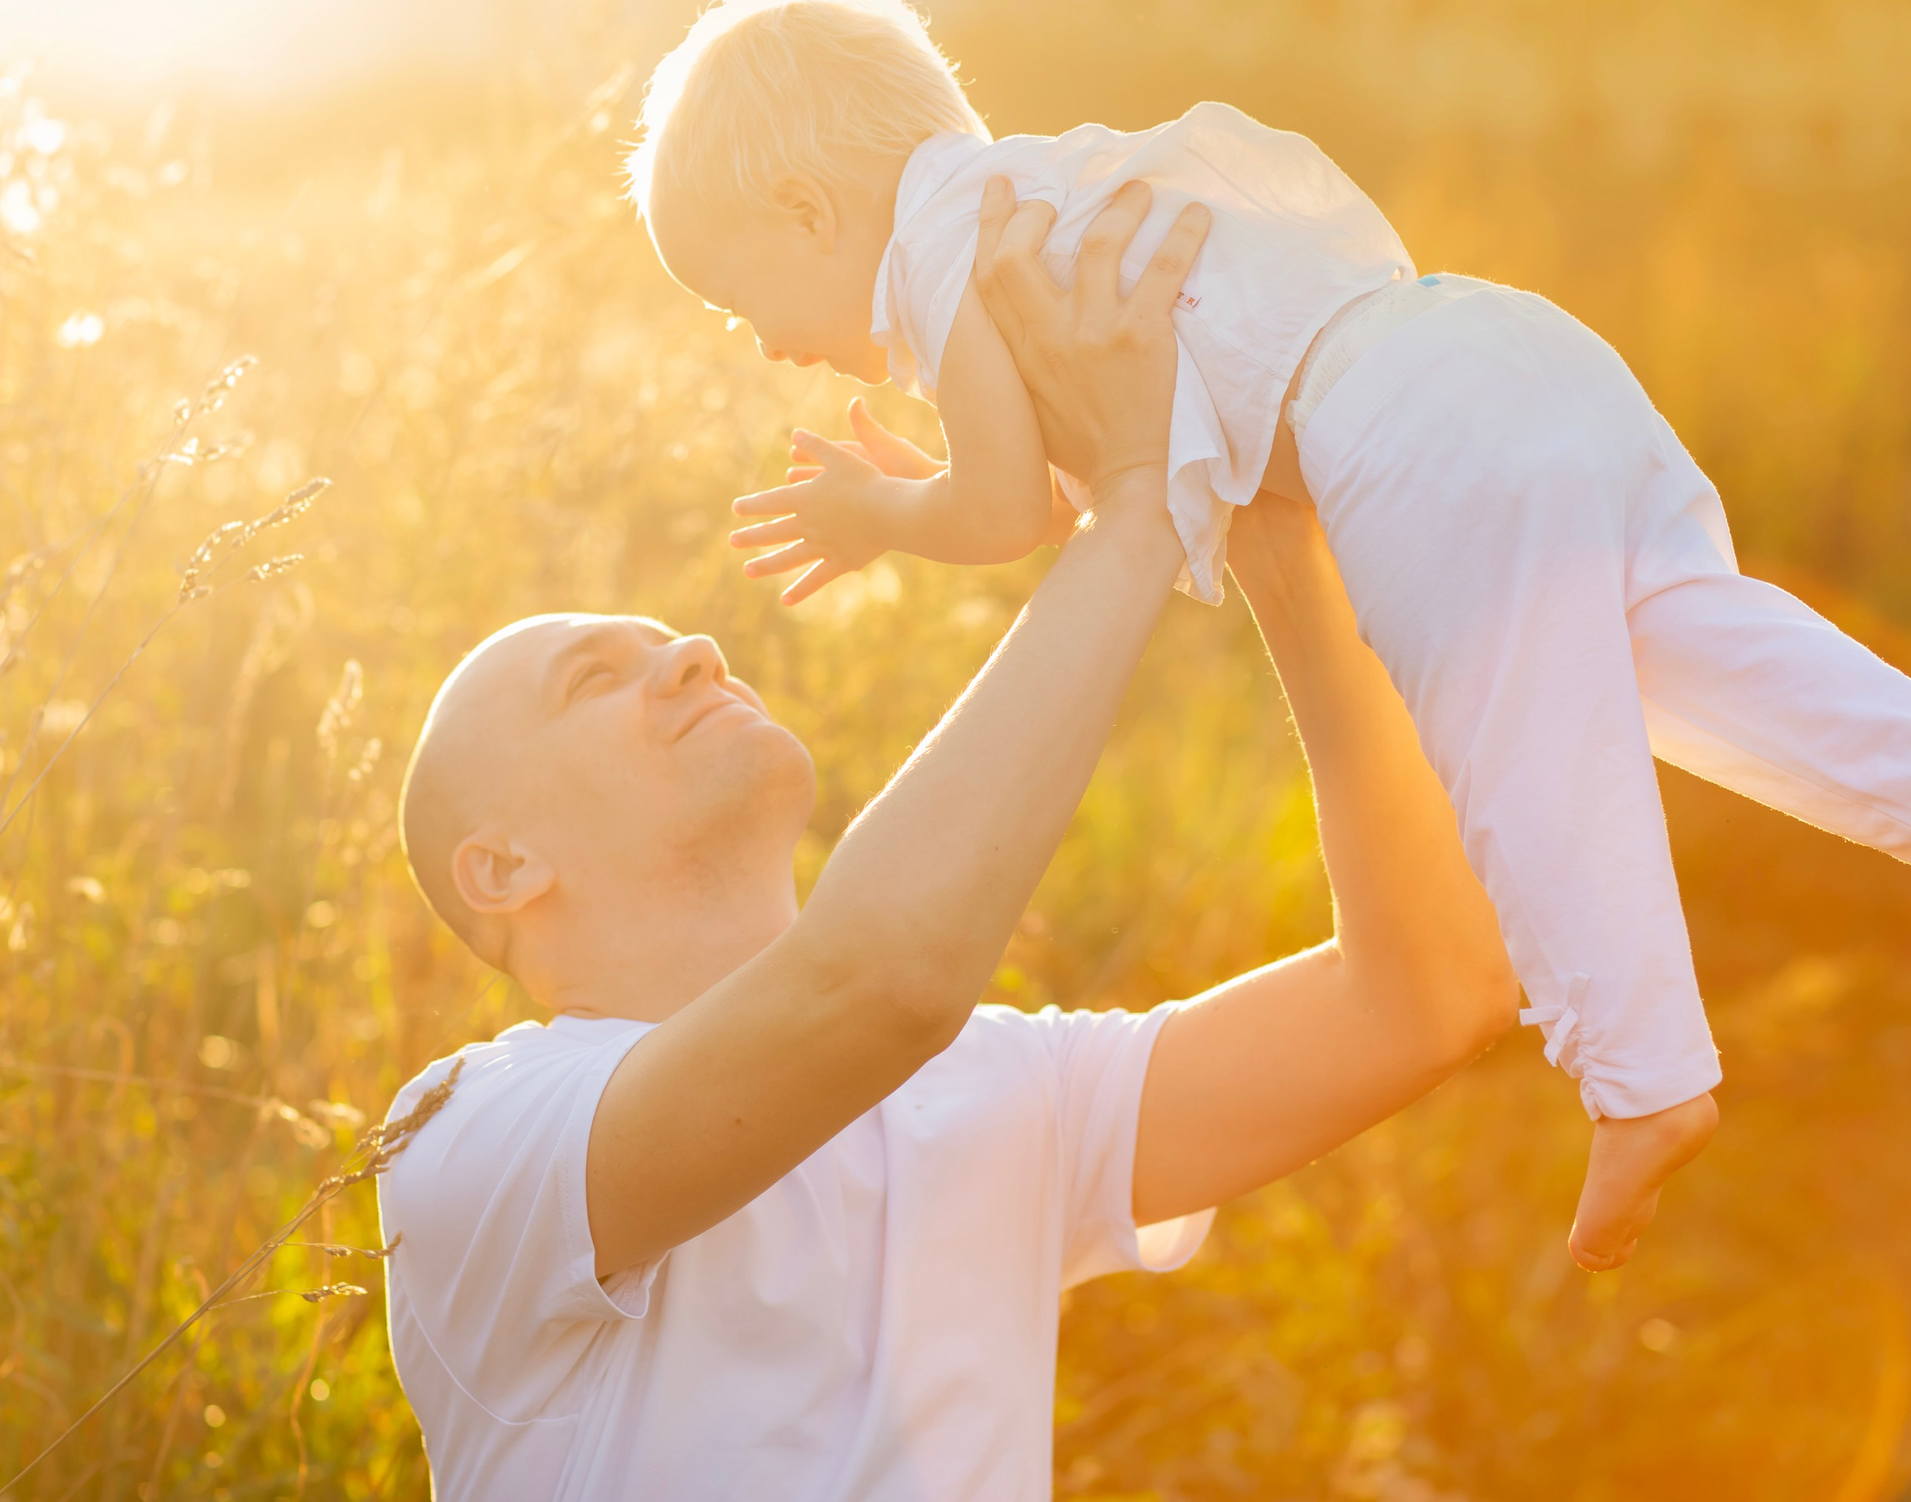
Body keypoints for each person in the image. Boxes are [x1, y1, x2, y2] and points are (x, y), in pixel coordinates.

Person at [625, 0, 1911, 1272]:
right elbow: (1088, 479)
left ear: (809, 212)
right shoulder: (1028, 201)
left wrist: (881, 516)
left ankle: (1644, 1077)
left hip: (1402, 433)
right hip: (1498, 348)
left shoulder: (949, 248)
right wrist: (947, 472)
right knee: (1684, 648)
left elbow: (1011, 515)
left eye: (736, 298)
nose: (761, 343)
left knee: (1521, 750)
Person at [375, 182, 1516, 1499]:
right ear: (504, 868)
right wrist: (1133, 507)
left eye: (671, 643)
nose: (692, 650)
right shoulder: (469, 1140)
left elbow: (1427, 992)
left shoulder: (1004, 1088)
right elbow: (878, 985)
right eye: (595, 678)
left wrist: (1265, 514)